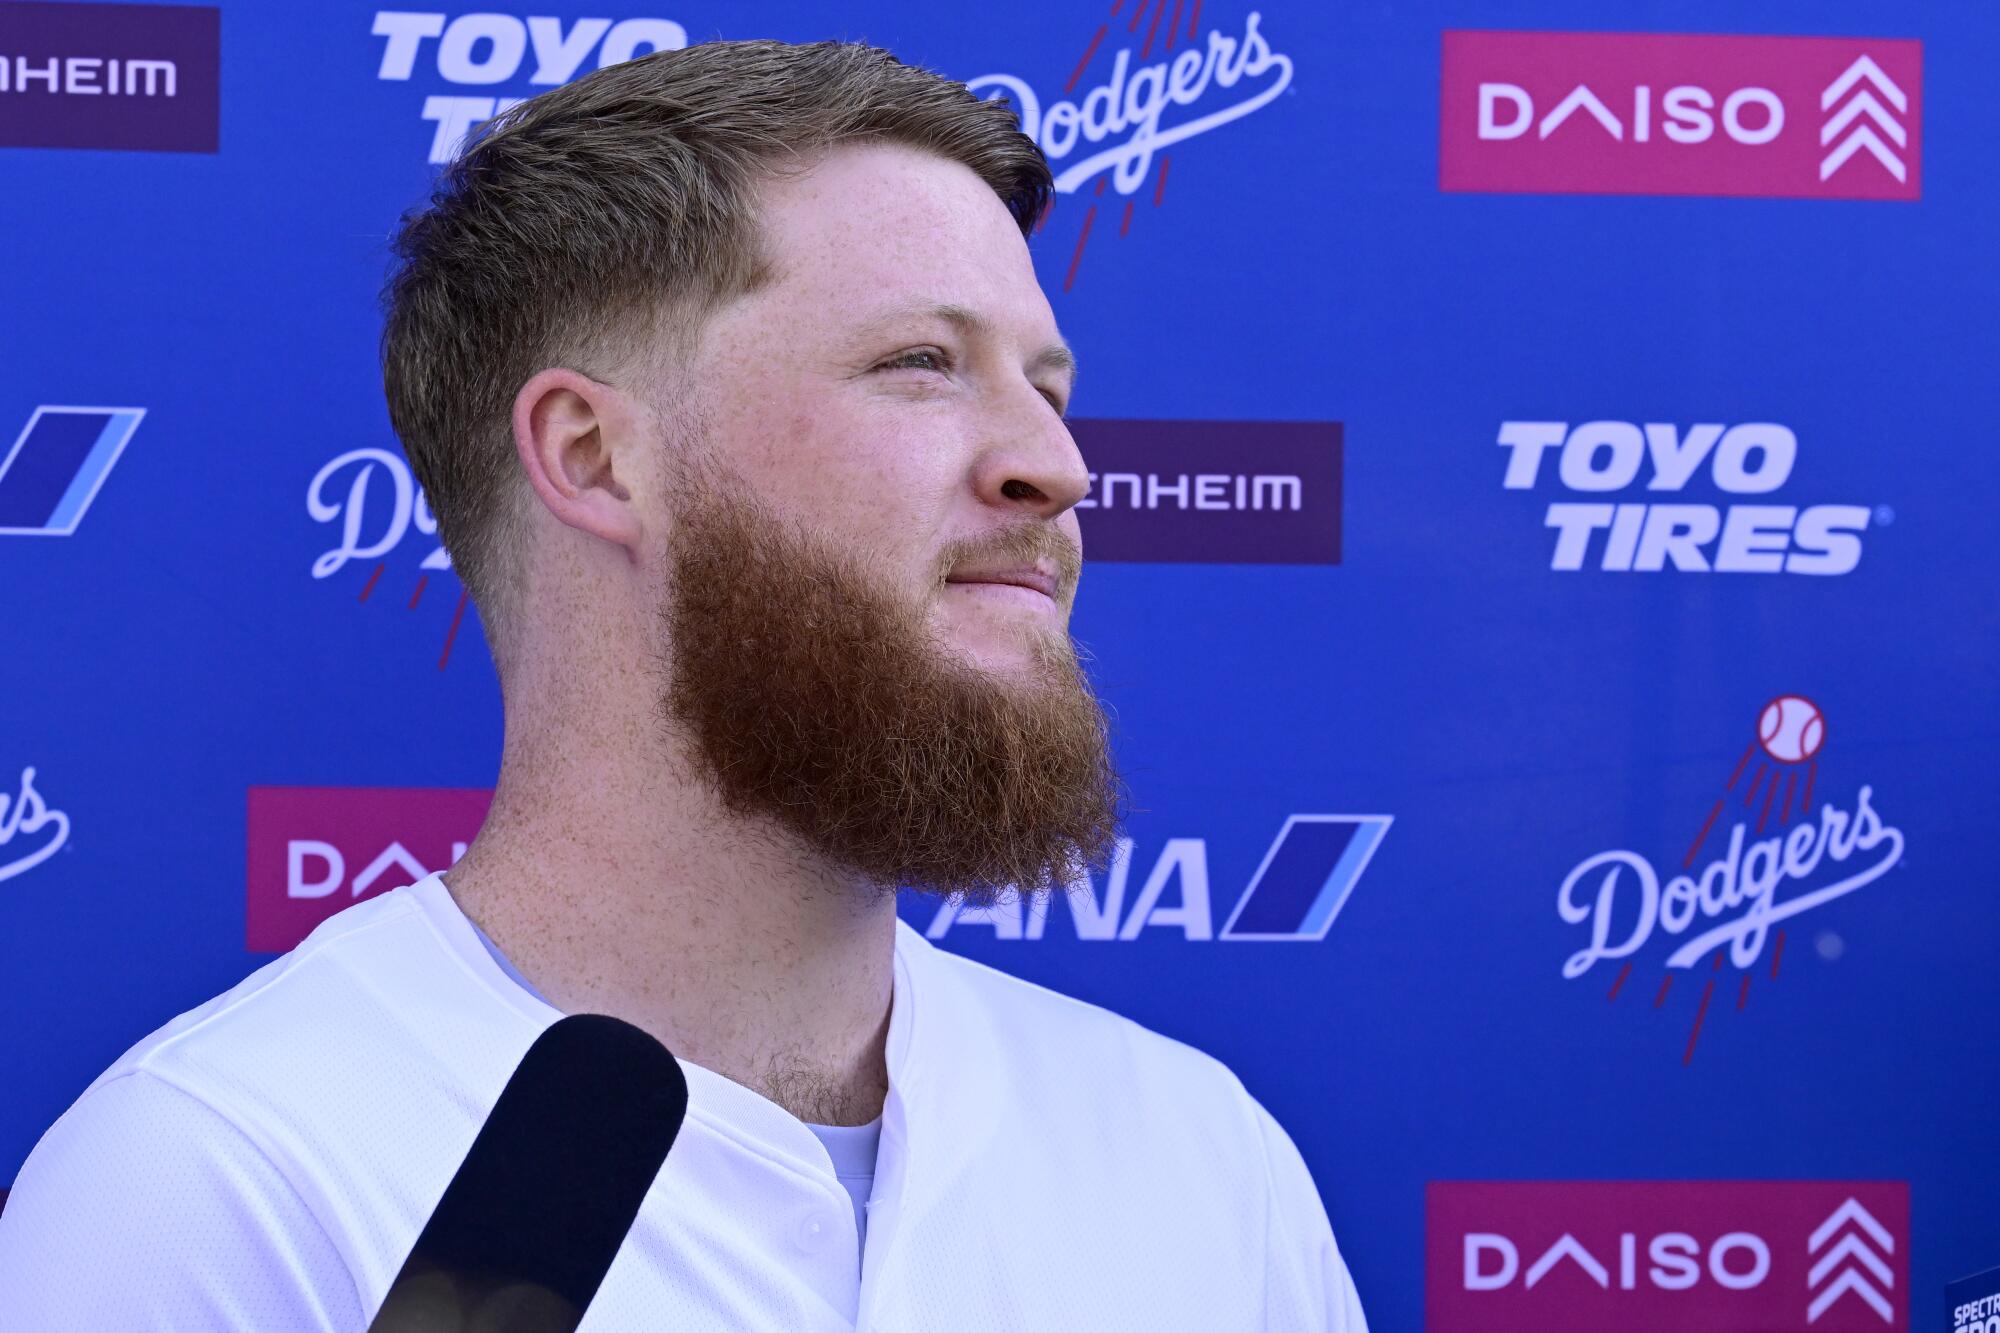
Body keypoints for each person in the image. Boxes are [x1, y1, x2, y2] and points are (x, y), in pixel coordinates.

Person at [0, 39, 1367, 1330]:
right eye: (921, 364)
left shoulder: (1200, 1159)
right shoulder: (219, 1186)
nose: (1055, 466)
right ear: (595, 456)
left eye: (1051, 386)